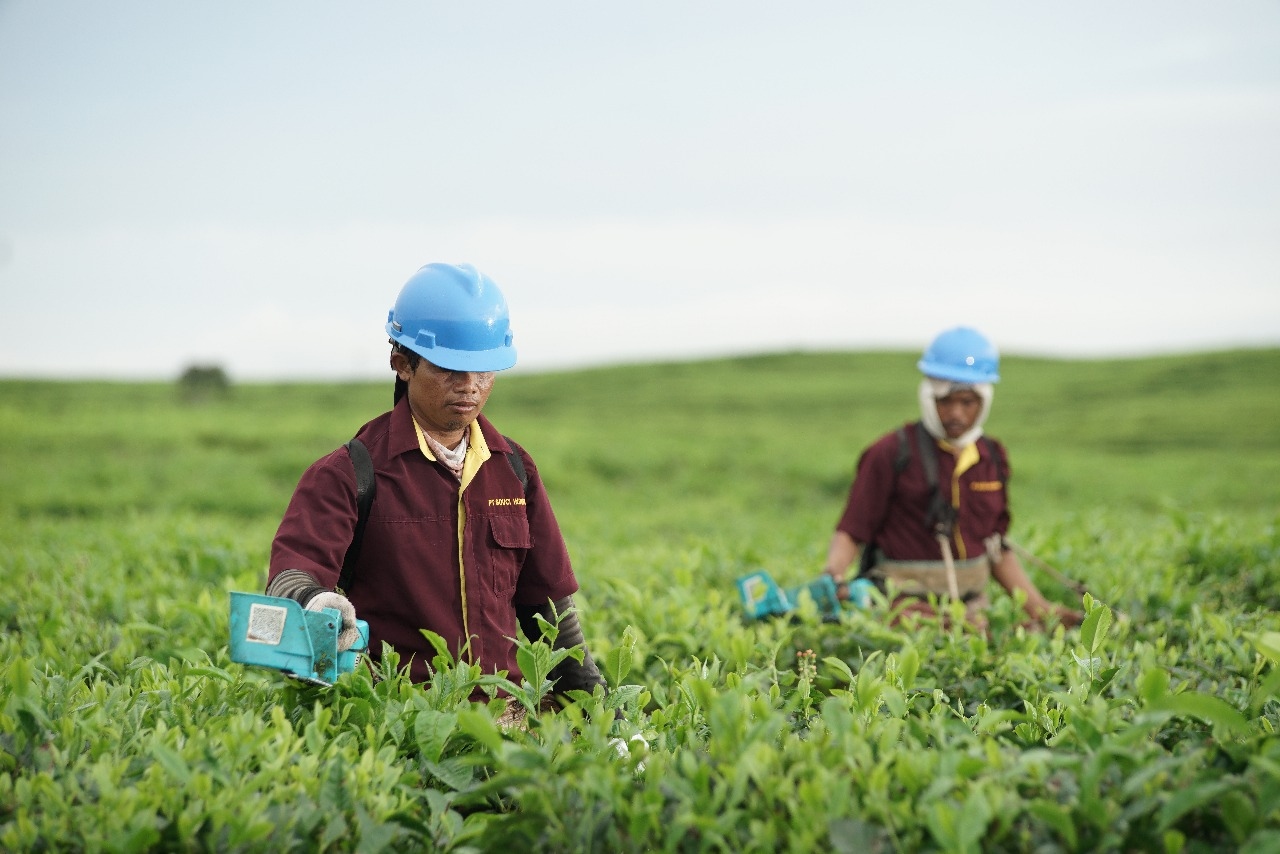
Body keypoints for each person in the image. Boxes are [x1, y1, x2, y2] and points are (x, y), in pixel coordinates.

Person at [266, 262, 606, 716]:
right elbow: (289, 580)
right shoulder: (348, 474)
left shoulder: (513, 471)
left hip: (506, 722)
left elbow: (551, 617)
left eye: (484, 370)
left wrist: (607, 718)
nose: (470, 387)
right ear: (402, 363)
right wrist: (317, 603)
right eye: (449, 369)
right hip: (398, 723)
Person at [823, 326, 1083, 630]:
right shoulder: (892, 452)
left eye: (968, 402)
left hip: (971, 608)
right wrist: (833, 575)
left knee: (1002, 634)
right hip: (901, 608)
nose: (956, 414)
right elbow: (853, 530)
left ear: (983, 401)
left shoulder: (991, 457)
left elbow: (995, 548)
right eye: (945, 402)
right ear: (928, 397)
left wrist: (1041, 610)